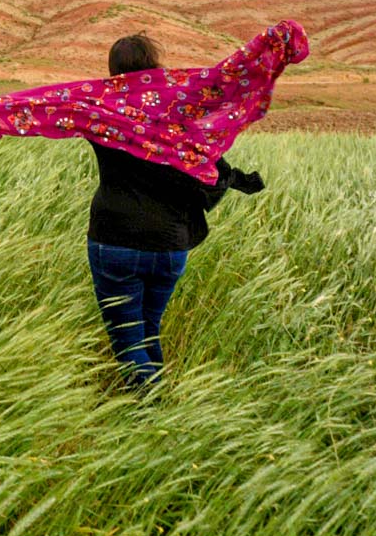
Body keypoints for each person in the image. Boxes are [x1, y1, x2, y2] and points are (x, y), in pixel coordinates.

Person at [87, 31, 265, 393]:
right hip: (170, 246)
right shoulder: (181, 118)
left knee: (127, 340)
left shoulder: (99, 111)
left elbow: (50, 107)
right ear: (156, 67)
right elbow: (220, 96)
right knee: (148, 329)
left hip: (115, 243)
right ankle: (158, 408)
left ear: (113, 72)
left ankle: (151, 411)